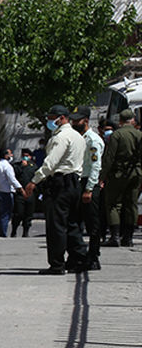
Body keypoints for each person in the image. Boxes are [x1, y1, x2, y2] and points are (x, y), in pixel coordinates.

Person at [24, 104, 88, 274]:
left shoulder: (60, 137)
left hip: (60, 183)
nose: (49, 121)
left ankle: (57, 264)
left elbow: (50, 163)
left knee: (56, 225)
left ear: (62, 118)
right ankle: (78, 259)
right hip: (74, 182)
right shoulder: (78, 136)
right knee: (72, 223)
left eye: (52, 118)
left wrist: (34, 181)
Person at [102, 107, 142, 247]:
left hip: (118, 174)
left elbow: (109, 158)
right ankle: (128, 238)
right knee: (131, 205)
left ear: (120, 120)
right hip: (136, 173)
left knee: (113, 204)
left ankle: (115, 236)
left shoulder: (116, 135)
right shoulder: (139, 134)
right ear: (132, 120)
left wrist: (102, 175)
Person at [71, 106, 104, 270]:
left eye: (77, 120)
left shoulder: (92, 140)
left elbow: (95, 166)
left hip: (88, 184)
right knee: (77, 221)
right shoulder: (79, 137)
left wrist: (89, 189)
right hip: (79, 182)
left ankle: (93, 257)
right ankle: (80, 256)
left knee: (93, 224)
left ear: (86, 120)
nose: (74, 122)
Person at [0, 147, 22, 238]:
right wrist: (20, 188)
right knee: (5, 214)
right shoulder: (7, 166)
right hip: (5, 193)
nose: (12, 155)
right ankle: (3, 233)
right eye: (10, 154)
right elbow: (12, 179)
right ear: (6, 155)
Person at [11, 149, 37, 238]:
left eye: (27, 155)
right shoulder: (17, 166)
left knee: (29, 214)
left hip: (30, 193)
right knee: (19, 213)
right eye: (24, 155)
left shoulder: (33, 166)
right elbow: (14, 176)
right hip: (20, 193)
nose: (25, 157)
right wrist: (22, 166)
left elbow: (37, 179)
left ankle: (26, 232)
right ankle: (14, 230)